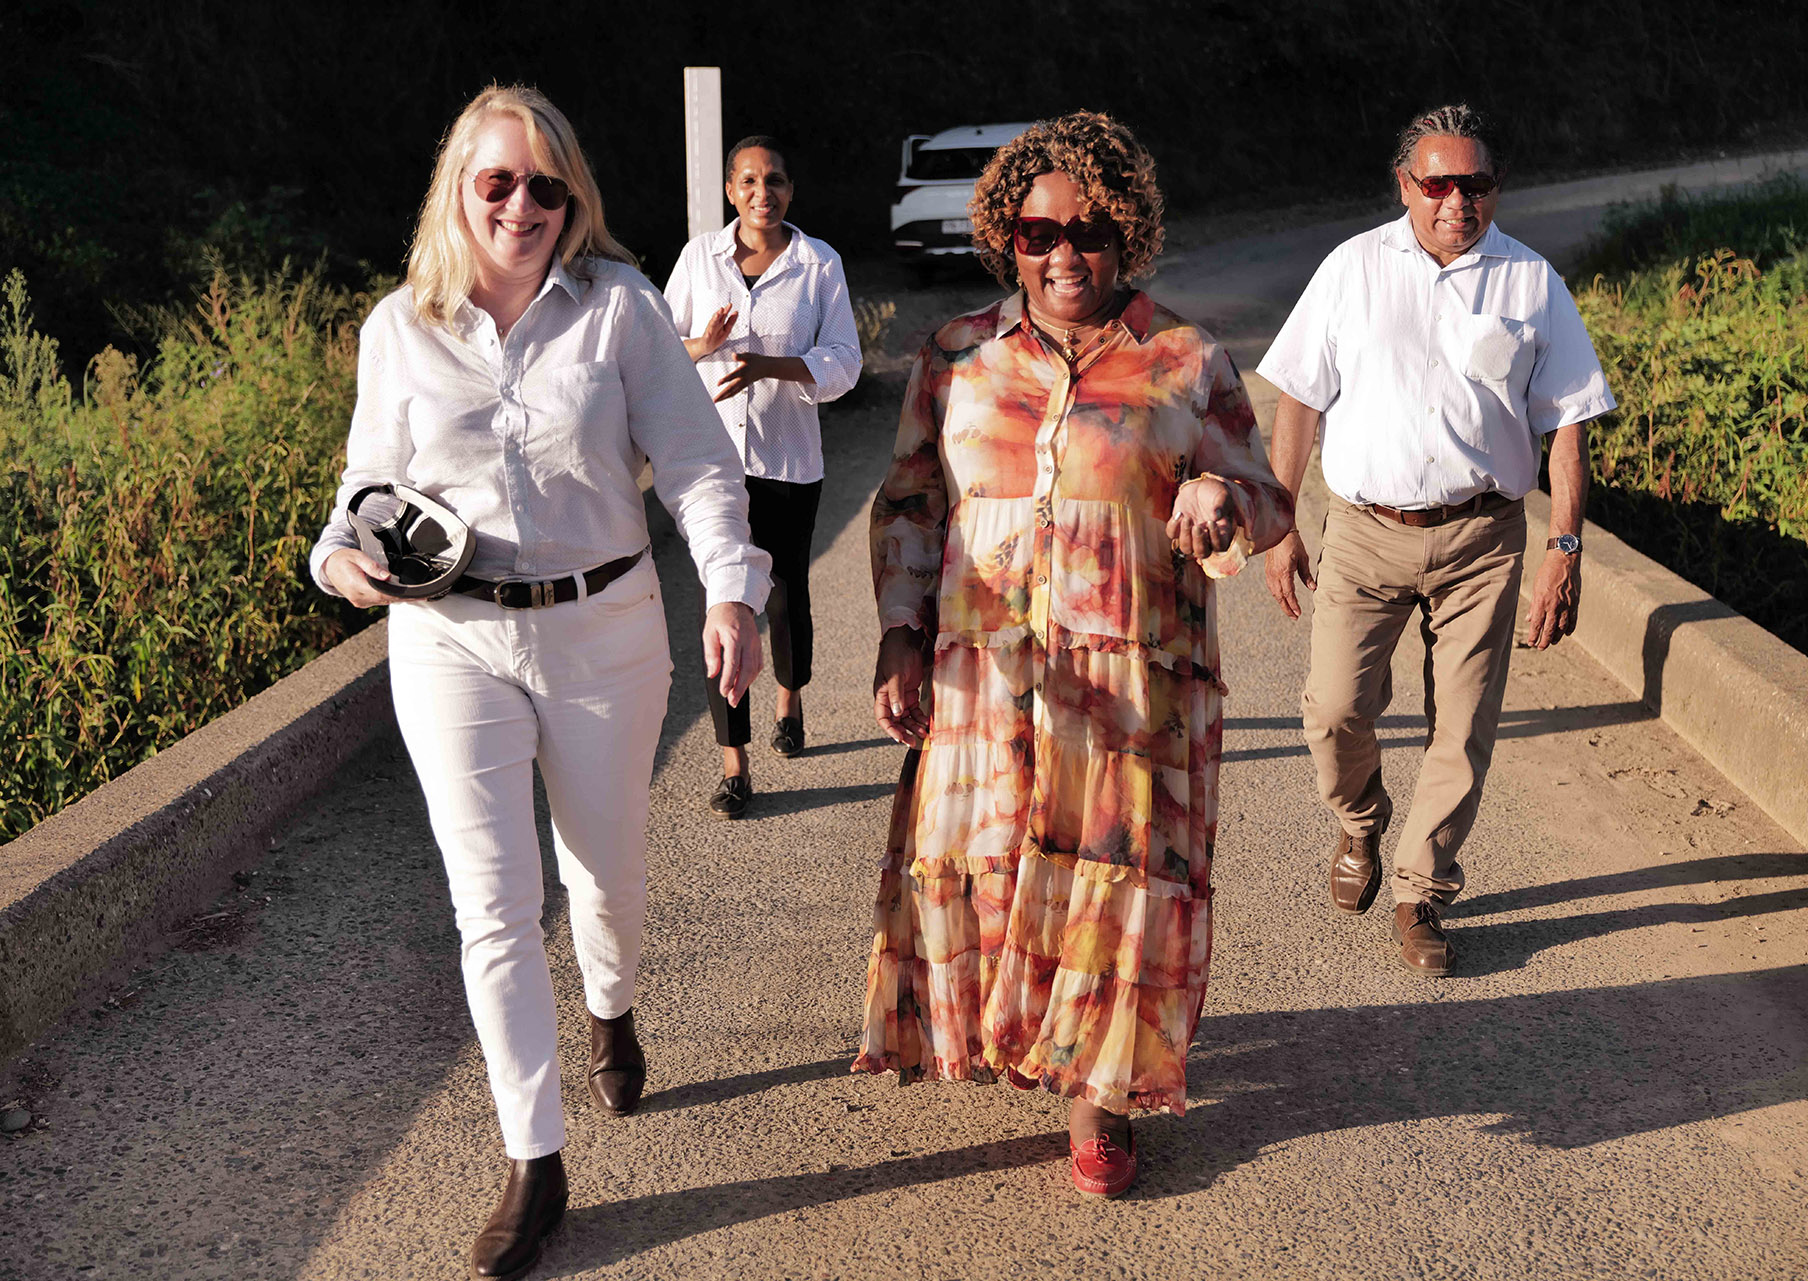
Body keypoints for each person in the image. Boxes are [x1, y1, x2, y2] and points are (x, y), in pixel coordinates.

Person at [308, 85, 769, 1280]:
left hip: (604, 629)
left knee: (606, 875)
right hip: (449, 636)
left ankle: (611, 1001)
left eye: (546, 186)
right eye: (498, 182)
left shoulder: (622, 311)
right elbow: (365, 483)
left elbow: (703, 468)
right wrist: (340, 556)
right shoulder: (398, 327)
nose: (522, 205)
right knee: (493, 905)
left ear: (576, 201)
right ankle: (535, 1158)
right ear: (457, 191)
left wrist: (730, 590)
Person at [854, 111, 1291, 1197]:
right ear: (1008, 237)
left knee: (1116, 887)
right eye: (1039, 232)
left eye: (1090, 232)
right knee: (996, 875)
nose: (1064, 255)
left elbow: (1271, 503)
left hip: (1130, 685)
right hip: (987, 675)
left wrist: (1217, 494)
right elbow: (911, 499)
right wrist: (901, 636)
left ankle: (1100, 1098)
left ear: (1127, 236)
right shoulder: (956, 356)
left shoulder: (1184, 359)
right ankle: (1030, 1042)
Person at [1256, 103, 1614, 978]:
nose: (1457, 199)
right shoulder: (1351, 269)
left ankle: (1422, 888)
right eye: (1438, 182)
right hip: (1368, 532)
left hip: (1484, 539)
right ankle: (1361, 821)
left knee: (1463, 725)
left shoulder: (1531, 283)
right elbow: (1299, 398)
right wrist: (1278, 520)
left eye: (1475, 184)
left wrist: (1563, 551)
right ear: (1405, 186)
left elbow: (1567, 423)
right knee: (1334, 708)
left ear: (1496, 190)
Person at [664, 136, 862, 819]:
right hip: (715, 469)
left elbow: (845, 362)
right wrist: (707, 346)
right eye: (748, 180)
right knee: (724, 607)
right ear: (729, 189)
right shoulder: (699, 259)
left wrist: (774, 367)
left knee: (784, 598)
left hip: (789, 465)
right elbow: (659, 353)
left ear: (790, 188)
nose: (762, 192)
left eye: (774, 180)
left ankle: (791, 697)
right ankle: (734, 765)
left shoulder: (818, 264)